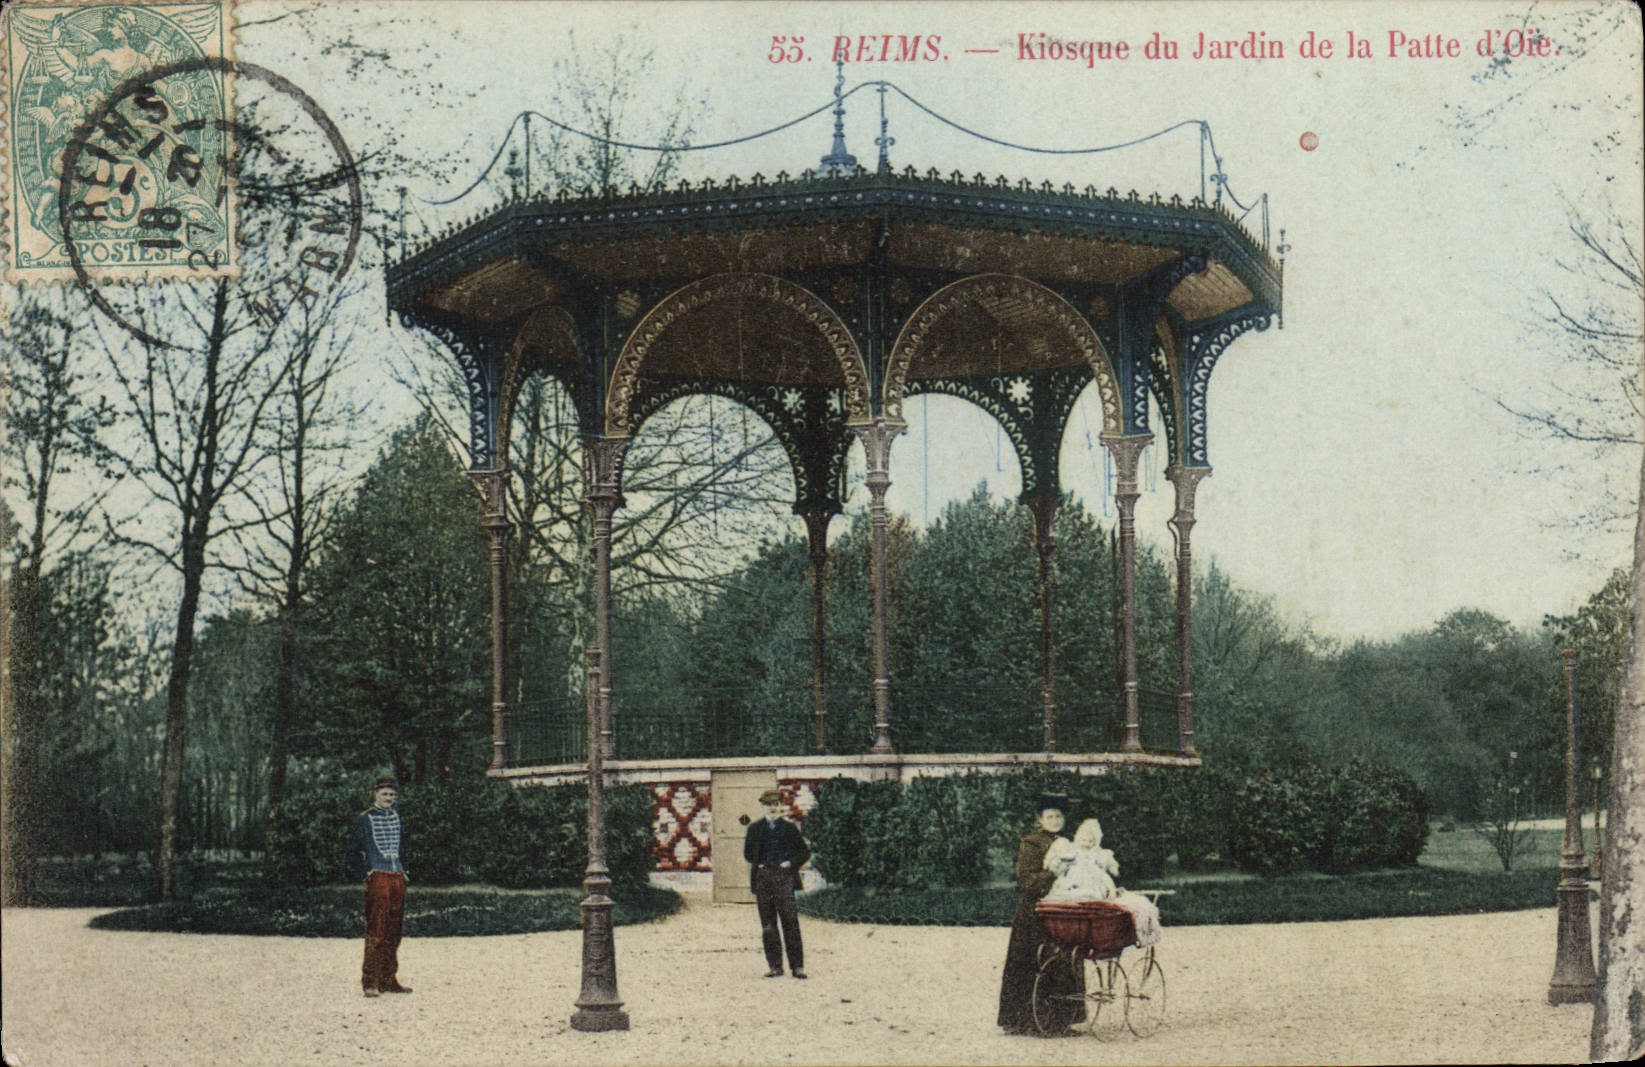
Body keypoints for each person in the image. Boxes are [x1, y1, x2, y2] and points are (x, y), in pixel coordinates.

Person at [997, 793, 1083, 1035]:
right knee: (1031, 962)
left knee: (1065, 958)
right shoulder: (1031, 843)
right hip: (1035, 913)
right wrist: (1052, 873)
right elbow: (1027, 880)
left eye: (1059, 816)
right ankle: (1022, 1021)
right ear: (1040, 819)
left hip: (1061, 908)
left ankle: (1060, 1021)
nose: (1055, 820)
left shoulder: (1067, 844)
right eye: (1050, 816)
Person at [1043, 817, 1163, 948]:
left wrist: (1112, 868)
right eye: (1083, 840)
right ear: (1077, 838)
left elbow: (1109, 866)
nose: (1086, 843)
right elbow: (1058, 862)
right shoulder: (1073, 852)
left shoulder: (1098, 854)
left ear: (1096, 842)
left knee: (1098, 888)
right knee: (1068, 886)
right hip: (1075, 877)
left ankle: (1094, 899)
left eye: (1090, 841)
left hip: (1094, 878)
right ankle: (1074, 899)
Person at [344, 776, 411, 997]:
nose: (389, 798)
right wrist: (366, 871)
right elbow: (351, 852)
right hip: (378, 877)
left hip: (397, 877)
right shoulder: (365, 819)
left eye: (392, 795)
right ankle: (370, 981)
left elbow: (404, 848)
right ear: (376, 795)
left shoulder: (398, 818)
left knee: (394, 930)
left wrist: (404, 871)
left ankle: (388, 979)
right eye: (385, 794)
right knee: (377, 929)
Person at [742, 788, 810, 979]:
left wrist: (789, 863)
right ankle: (775, 966)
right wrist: (759, 862)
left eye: (776, 804)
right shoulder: (754, 828)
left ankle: (797, 967)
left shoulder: (789, 828)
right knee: (768, 923)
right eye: (769, 805)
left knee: (790, 921)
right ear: (763, 806)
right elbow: (747, 853)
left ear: (781, 807)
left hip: (784, 877)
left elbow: (804, 853)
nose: (773, 808)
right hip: (763, 877)